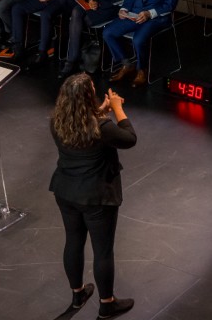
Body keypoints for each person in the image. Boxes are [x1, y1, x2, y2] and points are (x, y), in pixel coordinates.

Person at [49, 75, 137, 319]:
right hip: (96, 197)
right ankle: (107, 304)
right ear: (88, 98)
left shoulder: (57, 121)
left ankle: (78, 295)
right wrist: (117, 109)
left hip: (66, 192)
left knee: (73, 241)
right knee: (103, 251)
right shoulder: (102, 127)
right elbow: (129, 139)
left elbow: (82, 124)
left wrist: (100, 111)